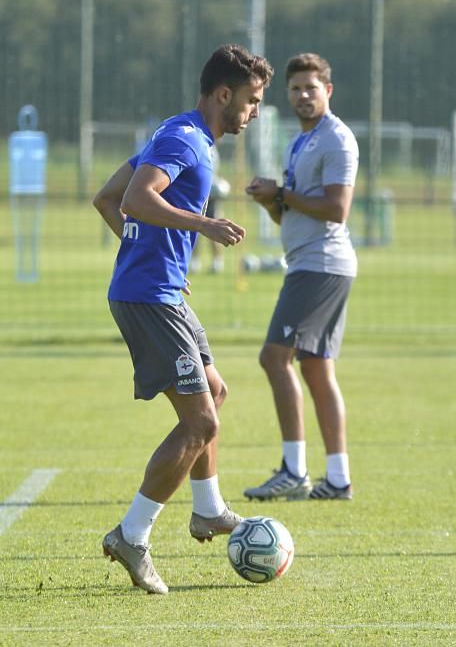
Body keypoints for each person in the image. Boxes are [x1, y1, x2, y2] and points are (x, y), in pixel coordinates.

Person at [93, 44, 273, 594]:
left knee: (215, 393)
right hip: (149, 297)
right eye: (252, 100)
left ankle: (209, 510)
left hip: (160, 289)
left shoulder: (179, 130)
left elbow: (107, 198)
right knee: (201, 425)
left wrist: (154, 256)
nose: (255, 111)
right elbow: (137, 200)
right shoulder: (184, 138)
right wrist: (202, 226)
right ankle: (132, 534)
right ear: (224, 94)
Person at [244, 52, 358, 502]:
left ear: (327, 91)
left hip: (321, 265)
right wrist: (270, 202)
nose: (303, 95)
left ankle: (293, 470)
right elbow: (288, 215)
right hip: (310, 262)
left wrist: (282, 193)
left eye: (311, 87)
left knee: (274, 358)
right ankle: (338, 479)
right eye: (295, 89)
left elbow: (336, 209)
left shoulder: (337, 140)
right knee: (315, 369)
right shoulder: (301, 141)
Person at [190, 144, 230, 274]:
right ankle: (195, 261)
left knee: (215, 227)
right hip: (197, 194)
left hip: (211, 196)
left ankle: (217, 262)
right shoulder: (198, 144)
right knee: (194, 228)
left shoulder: (211, 148)